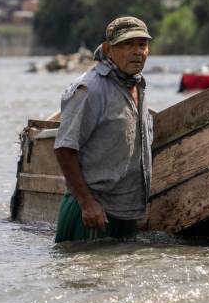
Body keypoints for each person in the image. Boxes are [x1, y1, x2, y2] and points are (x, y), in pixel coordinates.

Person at [53, 16, 153, 242]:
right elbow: (64, 149)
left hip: (126, 212)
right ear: (108, 50)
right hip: (91, 213)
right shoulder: (89, 89)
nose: (137, 51)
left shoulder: (137, 85)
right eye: (127, 45)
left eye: (142, 45)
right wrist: (87, 203)